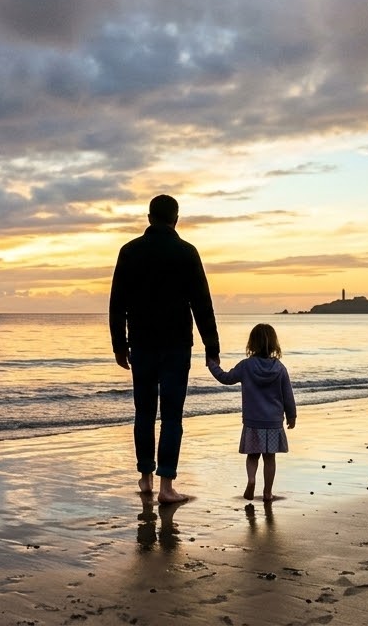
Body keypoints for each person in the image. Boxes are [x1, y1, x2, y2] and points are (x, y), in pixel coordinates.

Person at [109, 194, 220, 504]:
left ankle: (145, 478)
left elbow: (117, 304)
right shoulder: (186, 252)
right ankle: (166, 486)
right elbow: (202, 303)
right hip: (175, 345)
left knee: (143, 412)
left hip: (141, 344)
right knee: (171, 416)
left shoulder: (129, 251)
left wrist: (119, 345)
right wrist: (212, 346)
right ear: (176, 219)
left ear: (149, 217)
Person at [206, 323, 296, 502]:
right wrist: (292, 415)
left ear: (252, 344)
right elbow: (288, 395)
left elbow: (226, 378)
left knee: (252, 456)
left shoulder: (246, 366)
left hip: (253, 421)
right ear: (273, 344)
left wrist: (212, 365)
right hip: (273, 422)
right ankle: (267, 493)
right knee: (269, 458)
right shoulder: (280, 368)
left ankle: (251, 479)